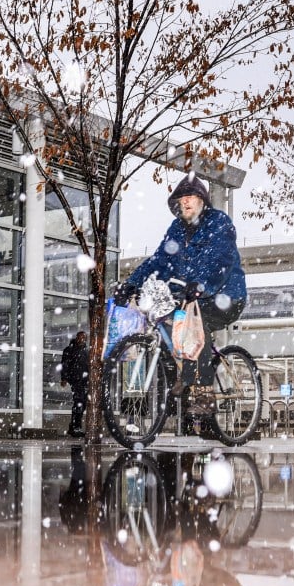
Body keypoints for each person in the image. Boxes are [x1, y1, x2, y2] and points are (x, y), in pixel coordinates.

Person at [116, 175, 247, 434]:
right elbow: (159, 261)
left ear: (202, 200)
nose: (185, 202)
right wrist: (131, 283)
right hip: (190, 297)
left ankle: (202, 397)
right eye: (180, 198)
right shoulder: (176, 229)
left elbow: (219, 259)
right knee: (168, 323)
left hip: (225, 295)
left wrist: (200, 284)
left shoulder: (218, 223)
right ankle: (184, 380)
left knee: (195, 326)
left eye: (190, 197)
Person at [60, 331, 90, 437]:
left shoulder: (87, 351)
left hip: (85, 381)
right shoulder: (69, 350)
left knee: (82, 403)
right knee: (79, 402)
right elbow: (65, 365)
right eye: (80, 337)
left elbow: (88, 366)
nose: (82, 339)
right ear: (77, 338)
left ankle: (74, 427)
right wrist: (64, 378)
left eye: (84, 338)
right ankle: (75, 427)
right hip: (76, 380)